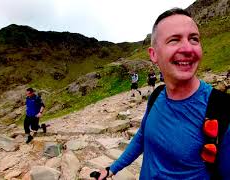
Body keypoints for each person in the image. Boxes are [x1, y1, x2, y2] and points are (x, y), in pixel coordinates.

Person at [96, 8, 230, 179]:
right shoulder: (157, 95)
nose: (188, 48)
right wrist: (111, 169)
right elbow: (142, 136)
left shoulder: (223, 110)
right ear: (154, 54)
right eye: (174, 40)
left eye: (194, 39)